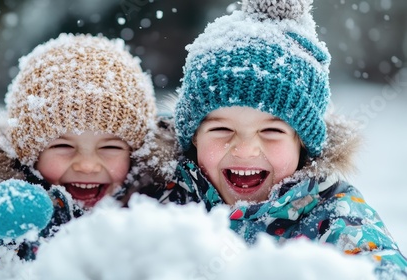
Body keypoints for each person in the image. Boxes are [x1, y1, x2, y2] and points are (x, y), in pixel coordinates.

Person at [150, 0, 407, 278]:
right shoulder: (165, 192)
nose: (245, 149)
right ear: (194, 138)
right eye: (222, 130)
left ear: (303, 143)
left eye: (271, 131)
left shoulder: (332, 215)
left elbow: (379, 265)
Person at [0, 33, 175, 273]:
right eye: (63, 146)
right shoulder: (10, 198)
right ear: (30, 153)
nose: (86, 164)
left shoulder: (157, 198)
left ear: (137, 152)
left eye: (110, 147)